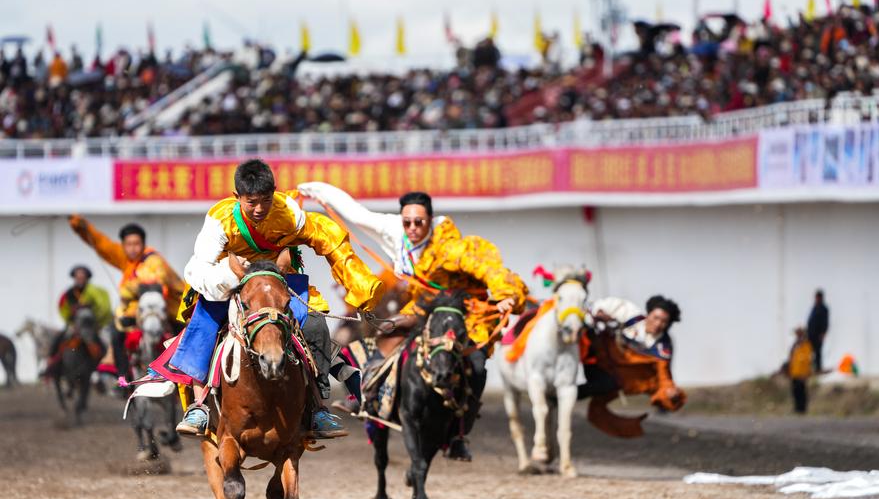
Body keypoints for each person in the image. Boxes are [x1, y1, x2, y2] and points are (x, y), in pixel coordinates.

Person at [298, 182, 527, 460]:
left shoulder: (451, 247)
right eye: (408, 222)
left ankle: (459, 435)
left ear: (430, 221)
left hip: (458, 310)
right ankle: (368, 398)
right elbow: (356, 214)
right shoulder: (395, 231)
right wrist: (315, 191)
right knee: (381, 334)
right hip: (421, 306)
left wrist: (504, 295)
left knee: (477, 365)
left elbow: (489, 267)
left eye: (419, 222)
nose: (413, 228)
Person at [158, 159, 383, 439]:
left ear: (274, 193)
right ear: (236, 197)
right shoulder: (219, 220)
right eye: (251, 201)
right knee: (203, 323)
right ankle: (200, 405)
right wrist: (228, 277)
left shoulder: (289, 213)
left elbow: (327, 235)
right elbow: (198, 267)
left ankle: (317, 407)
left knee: (314, 324)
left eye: (266, 200)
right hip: (229, 280)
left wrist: (358, 284)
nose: (259, 208)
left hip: (278, 280)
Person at [68, 216, 184, 384]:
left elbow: (153, 283)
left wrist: (127, 289)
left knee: (183, 341)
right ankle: (122, 377)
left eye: (136, 244)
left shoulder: (153, 260)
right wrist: (82, 228)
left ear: (143, 244)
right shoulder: (128, 260)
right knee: (116, 334)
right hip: (138, 313)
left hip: (168, 310)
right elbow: (104, 245)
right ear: (123, 246)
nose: (132, 248)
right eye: (128, 244)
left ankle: (184, 377)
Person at [579, 294, 684, 411]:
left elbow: (663, 375)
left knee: (606, 385)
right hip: (593, 353)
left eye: (664, 321)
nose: (658, 324)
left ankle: (560, 397)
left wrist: (669, 392)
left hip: (612, 374)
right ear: (648, 314)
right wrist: (598, 315)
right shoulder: (631, 315)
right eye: (656, 318)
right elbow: (595, 308)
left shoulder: (662, 346)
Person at [43, 265, 112, 377]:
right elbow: (63, 308)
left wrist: (96, 322)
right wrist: (70, 320)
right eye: (77, 276)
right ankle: (52, 364)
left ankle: (105, 366)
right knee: (59, 337)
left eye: (82, 276)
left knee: (102, 342)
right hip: (74, 324)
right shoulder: (69, 293)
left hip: (92, 325)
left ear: (86, 278)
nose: (79, 279)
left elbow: (103, 307)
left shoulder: (95, 292)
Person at [784, 327, 813, 414]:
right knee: (795, 392)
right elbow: (791, 359)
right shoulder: (795, 346)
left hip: (802, 373)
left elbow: (807, 359)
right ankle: (797, 409)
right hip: (794, 373)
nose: (798, 336)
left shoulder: (806, 345)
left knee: (802, 392)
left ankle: (802, 410)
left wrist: (805, 373)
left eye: (799, 334)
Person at [806, 289, 829, 373]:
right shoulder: (814, 307)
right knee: (809, 352)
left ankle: (818, 368)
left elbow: (825, 322)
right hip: (810, 334)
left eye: (818, 297)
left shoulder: (824, 309)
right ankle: (810, 368)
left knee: (818, 352)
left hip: (818, 334)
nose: (817, 299)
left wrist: (823, 333)